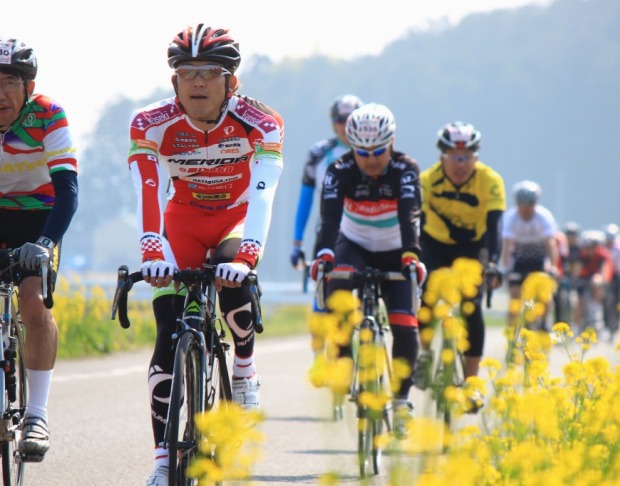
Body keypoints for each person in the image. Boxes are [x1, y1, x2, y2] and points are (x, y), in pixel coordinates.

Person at [126, 25, 284, 485]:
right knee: (167, 330)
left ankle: (244, 368)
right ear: (173, 81)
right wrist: (152, 246)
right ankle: (161, 460)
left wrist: (248, 256)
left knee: (234, 290)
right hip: (184, 218)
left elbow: (263, 193)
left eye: (210, 73)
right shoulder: (149, 122)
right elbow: (149, 187)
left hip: (235, 217)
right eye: (186, 72)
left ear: (231, 81)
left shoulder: (262, 122)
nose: (197, 82)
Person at [309, 103, 424, 439]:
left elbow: (409, 215)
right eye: (362, 151)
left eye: (379, 151)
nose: (371, 159)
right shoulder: (339, 169)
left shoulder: (405, 169)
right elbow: (329, 219)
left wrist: (411, 255)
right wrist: (324, 254)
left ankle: (401, 402)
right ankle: (344, 361)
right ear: (351, 147)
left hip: (395, 248)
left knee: (405, 325)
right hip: (355, 244)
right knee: (337, 291)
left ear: (392, 143)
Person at [0, 37, 78, 462]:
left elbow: (68, 191)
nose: (0, 93)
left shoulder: (49, 115)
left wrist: (46, 243)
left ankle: (36, 414)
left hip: (39, 214)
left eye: (9, 81)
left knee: (33, 301)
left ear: (28, 86)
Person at [416, 121, 505, 387]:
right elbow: (416, 223)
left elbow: (495, 227)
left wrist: (492, 263)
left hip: (473, 247)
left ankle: (471, 382)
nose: (460, 164)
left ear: (476, 157)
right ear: (443, 157)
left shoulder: (490, 181)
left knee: (471, 307)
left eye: (466, 157)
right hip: (434, 243)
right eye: (454, 158)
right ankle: (424, 354)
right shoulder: (427, 181)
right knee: (427, 299)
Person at [289, 94, 363, 273]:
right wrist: (297, 243)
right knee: (323, 286)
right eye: (340, 120)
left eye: (351, 120)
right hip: (329, 226)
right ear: (332, 123)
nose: (345, 126)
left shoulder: (372, 152)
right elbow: (305, 200)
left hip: (364, 227)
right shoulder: (318, 153)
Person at [501, 180, 559, 330]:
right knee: (514, 295)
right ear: (517, 203)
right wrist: (506, 267)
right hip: (519, 260)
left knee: (544, 296)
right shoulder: (511, 218)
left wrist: (552, 267)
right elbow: (507, 245)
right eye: (523, 204)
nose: (526, 209)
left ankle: (543, 324)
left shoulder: (544, 217)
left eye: (530, 204)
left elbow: (551, 245)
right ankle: (511, 332)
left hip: (539, 260)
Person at [574, 230, 614, 332]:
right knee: (579, 300)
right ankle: (576, 326)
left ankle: (596, 312)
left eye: (591, 247)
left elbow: (605, 270)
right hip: (584, 278)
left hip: (596, 278)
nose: (588, 250)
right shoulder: (581, 255)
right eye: (586, 247)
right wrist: (575, 279)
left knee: (596, 283)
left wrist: (602, 280)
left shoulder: (602, 255)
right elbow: (576, 270)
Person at [602, 223, 620, 332]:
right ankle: (606, 324)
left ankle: (617, 323)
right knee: (605, 299)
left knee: (619, 299)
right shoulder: (602, 247)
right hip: (606, 276)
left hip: (618, 275)